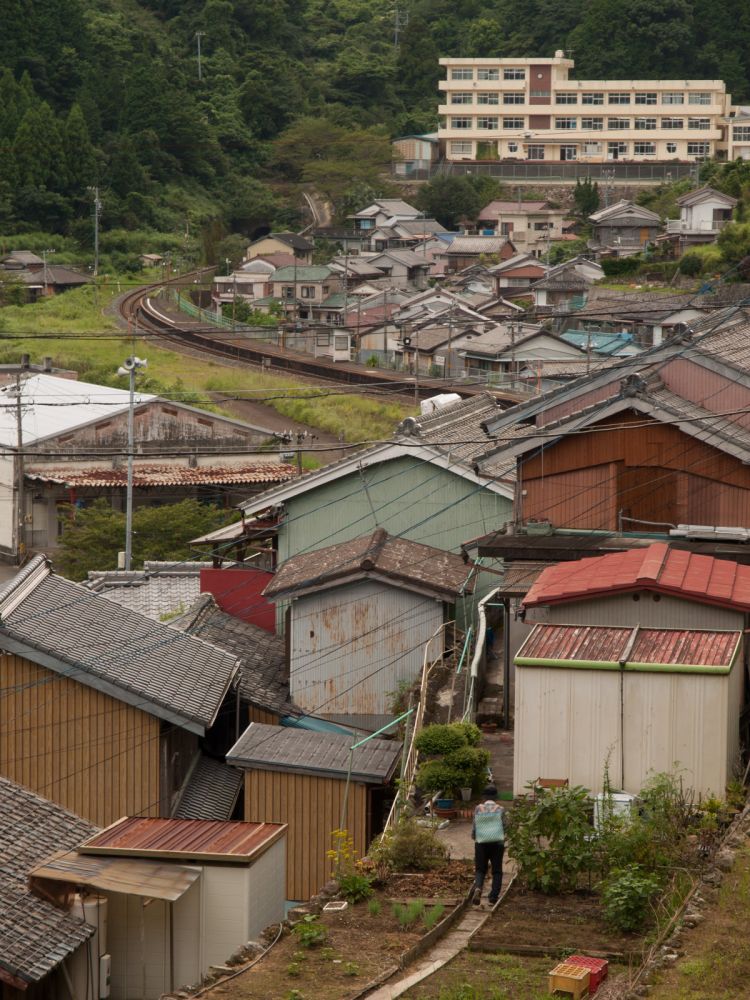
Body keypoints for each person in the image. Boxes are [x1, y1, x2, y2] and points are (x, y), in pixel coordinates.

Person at [471, 784, 505, 906]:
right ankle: (493, 897)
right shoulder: (500, 809)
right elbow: (505, 826)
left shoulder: (478, 808)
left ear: (484, 797)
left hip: (481, 843)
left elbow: (474, 826)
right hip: (497, 843)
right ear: (496, 797)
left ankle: (478, 888)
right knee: (497, 870)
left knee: (480, 869)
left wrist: (474, 837)